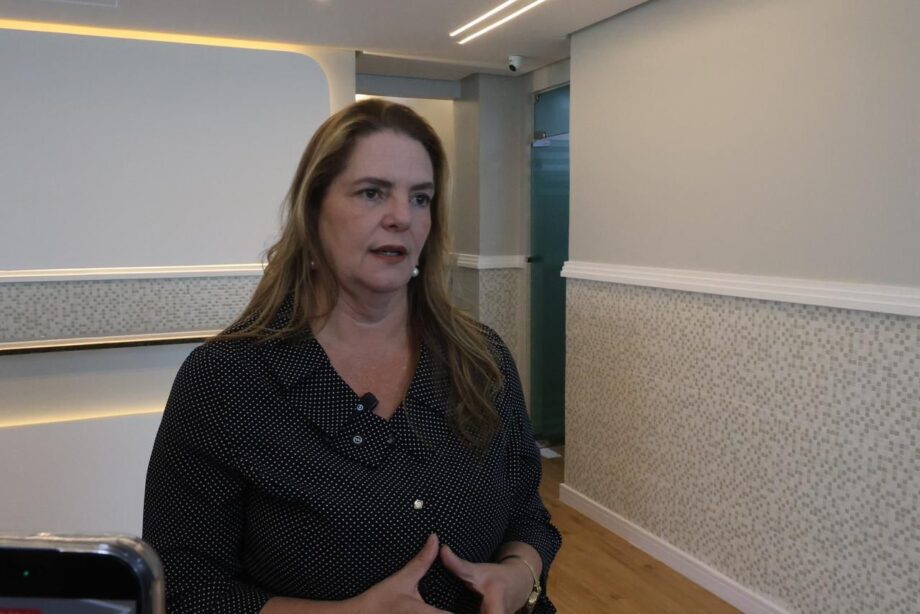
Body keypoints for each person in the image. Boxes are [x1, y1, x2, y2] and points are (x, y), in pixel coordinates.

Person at [143, 98, 561, 613]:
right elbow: (186, 587)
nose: (402, 217)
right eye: (372, 193)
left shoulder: (482, 359)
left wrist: (519, 575)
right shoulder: (225, 381)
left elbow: (528, 515)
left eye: (421, 198)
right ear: (314, 211)